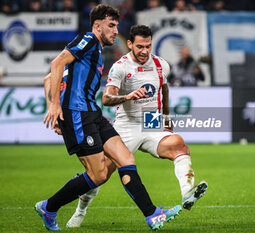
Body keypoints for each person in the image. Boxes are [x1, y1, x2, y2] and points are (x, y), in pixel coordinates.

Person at [36, 5, 181, 231]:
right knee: (99, 174)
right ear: (97, 26)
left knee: (126, 159)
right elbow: (56, 64)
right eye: (111, 25)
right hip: (77, 115)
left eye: (116, 25)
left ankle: (152, 214)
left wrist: (53, 107)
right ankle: (49, 207)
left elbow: (48, 78)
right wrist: (55, 107)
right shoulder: (88, 40)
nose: (115, 31)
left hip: (92, 113)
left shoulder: (93, 52)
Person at [66, 25, 208, 228]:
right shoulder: (120, 67)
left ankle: (187, 193)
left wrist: (166, 115)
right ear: (130, 44)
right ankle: (80, 211)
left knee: (179, 146)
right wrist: (128, 96)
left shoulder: (161, 65)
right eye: (140, 46)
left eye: (148, 46)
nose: (144, 51)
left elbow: (164, 88)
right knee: (101, 173)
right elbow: (106, 98)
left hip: (151, 123)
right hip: (126, 126)